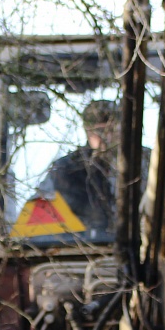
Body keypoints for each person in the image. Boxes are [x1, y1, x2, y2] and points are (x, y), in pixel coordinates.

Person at [36, 98, 120, 238]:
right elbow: (45, 228)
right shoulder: (67, 170)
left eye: (112, 130)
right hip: (83, 251)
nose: (108, 137)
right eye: (100, 131)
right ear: (88, 131)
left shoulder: (143, 164)